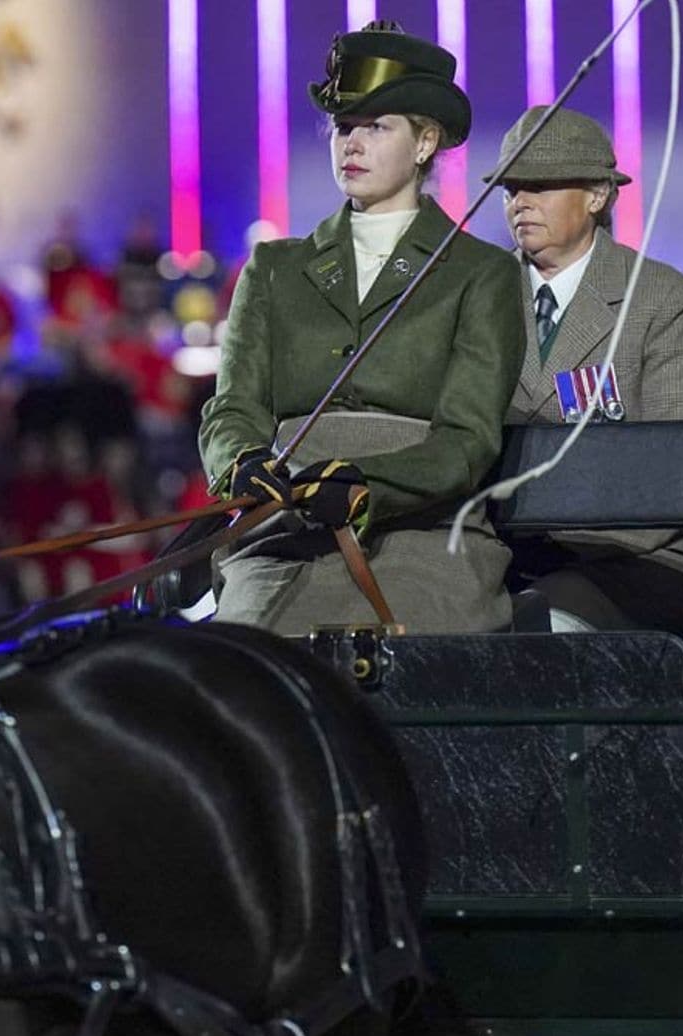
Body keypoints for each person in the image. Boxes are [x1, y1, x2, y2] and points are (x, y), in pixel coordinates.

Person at [197, 21, 522, 633]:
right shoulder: (273, 268)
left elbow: (467, 441)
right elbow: (231, 407)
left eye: (377, 127)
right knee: (240, 665)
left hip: (422, 534)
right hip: (284, 529)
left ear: (425, 143)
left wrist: (367, 484)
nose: (353, 143)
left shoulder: (482, 273)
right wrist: (242, 460)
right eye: (345, 126)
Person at [487, 104, 683, 636]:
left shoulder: (662, 301)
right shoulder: (477, 294)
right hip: (494, 559)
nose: (520, 203)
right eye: (510, 189)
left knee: (537, 624)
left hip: (632, 562)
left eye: (540, 187)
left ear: (597, 195)